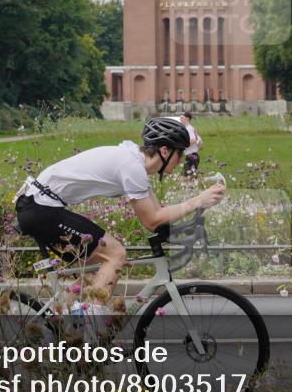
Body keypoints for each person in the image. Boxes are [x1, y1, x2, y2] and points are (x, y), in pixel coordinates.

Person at [13, 117, 226, 318]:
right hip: (41, 207)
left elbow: (158, 216)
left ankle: (62, 326)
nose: (181, 160)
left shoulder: (135, 164)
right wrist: (197, 201)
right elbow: (152, 220)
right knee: (115, 254)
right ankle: (90, 330)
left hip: (38, 205)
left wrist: (185, 224)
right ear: (164, 150)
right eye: (180, 153)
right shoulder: (132, 167)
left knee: (96, 270)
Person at [179, 111, 202, 177]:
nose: (180, 119)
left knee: (185, 178)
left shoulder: (188, 129)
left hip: (191, 156)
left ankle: (215, 178)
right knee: (190, 178)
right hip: (192, 156)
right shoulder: (190, 128)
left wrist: (181, 144)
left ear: (187, 119)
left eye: (182, 118)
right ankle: (215, 178)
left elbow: (193, 140)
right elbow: (200, 143)